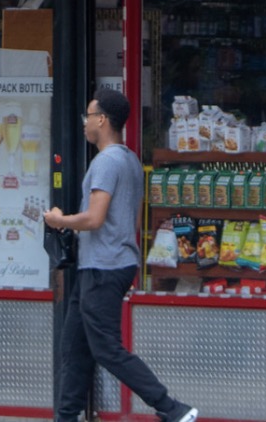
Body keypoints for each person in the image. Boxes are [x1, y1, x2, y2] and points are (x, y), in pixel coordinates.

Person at [45, 88, 197, 422]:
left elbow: (95, 218)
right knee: (75, 350)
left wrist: (59, 220)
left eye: (88, 115)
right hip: (102, 265)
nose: (85, 123)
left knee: (106, 349)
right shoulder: (128, 159)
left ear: (102, 119)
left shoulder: (107, 161)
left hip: (103, 266)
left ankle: (172, 409)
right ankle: (65, 417)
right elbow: (130, 218)